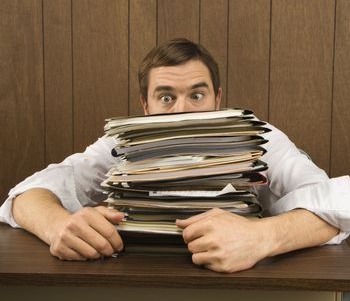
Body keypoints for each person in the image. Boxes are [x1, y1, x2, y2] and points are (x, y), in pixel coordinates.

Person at [1, 38, 349, 273]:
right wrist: (58, 225)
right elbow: (30, 193)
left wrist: (264, 236)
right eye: (166, 97)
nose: (182, 110)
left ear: (217, 99)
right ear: (145, 106)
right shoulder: (124, 144)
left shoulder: (258, 138)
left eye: (196, 96)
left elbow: (335, 199)